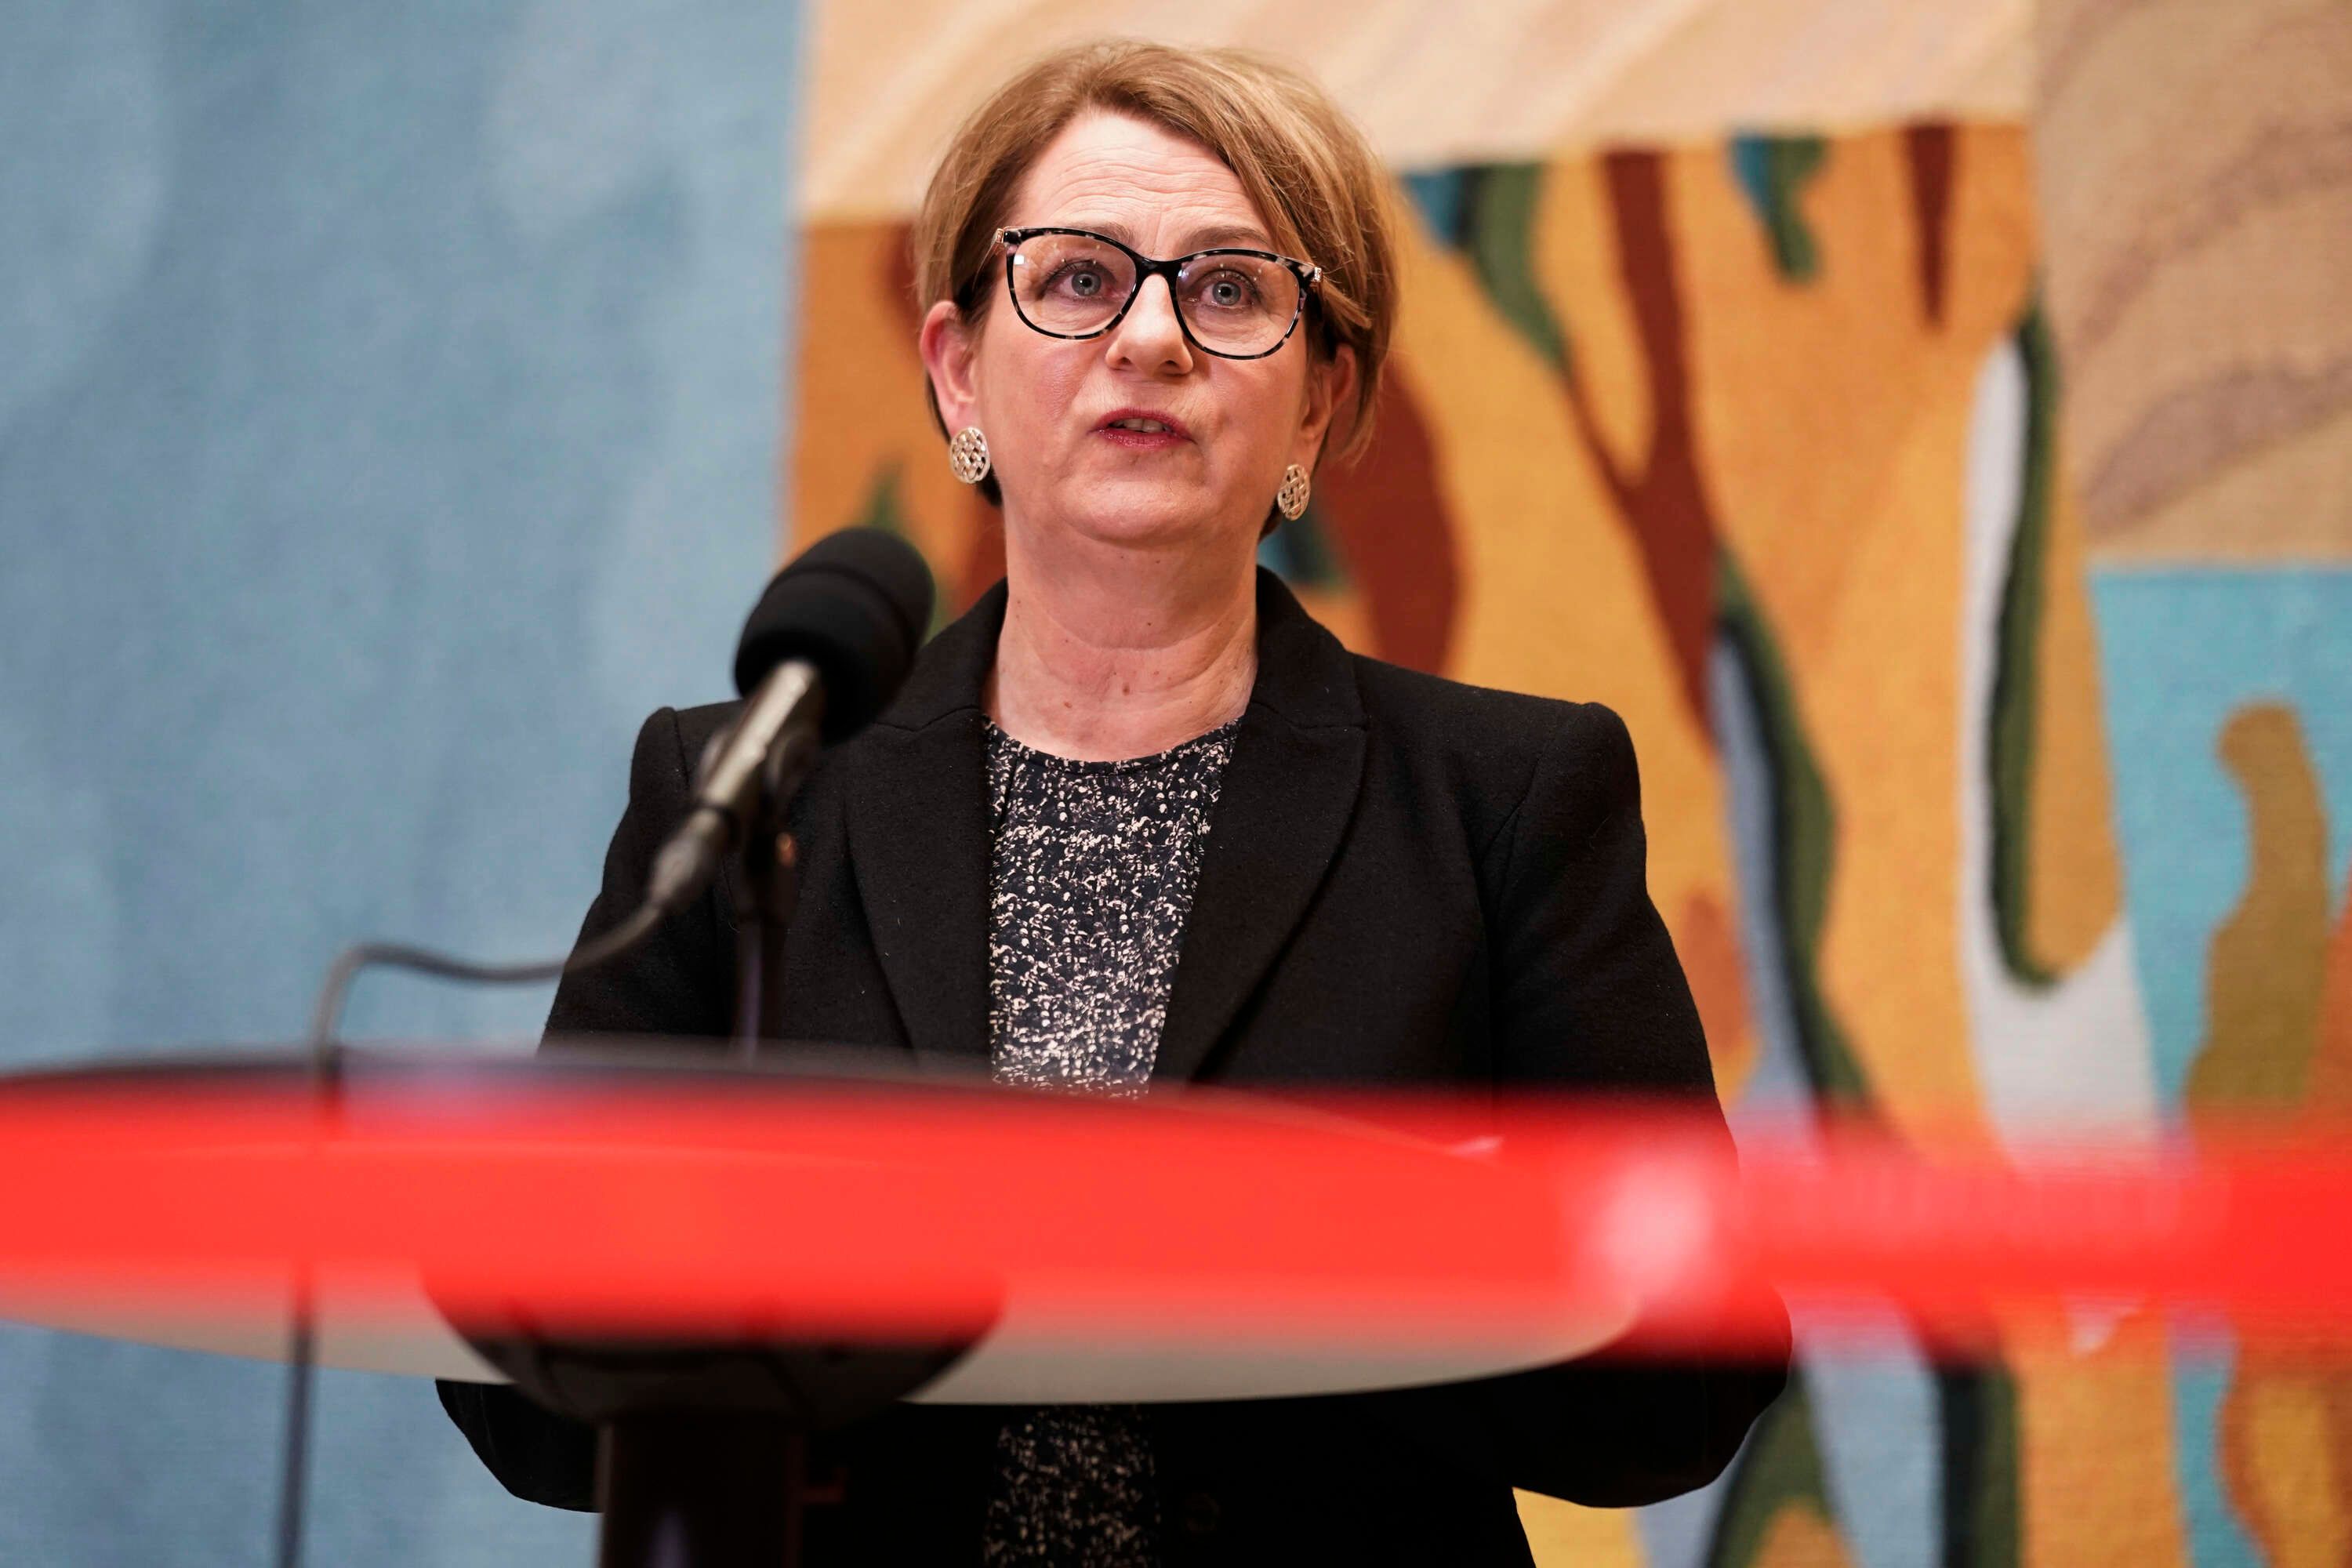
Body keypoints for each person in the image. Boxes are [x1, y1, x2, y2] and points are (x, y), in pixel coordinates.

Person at [439, 38, 1788, 1564]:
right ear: (958, 367)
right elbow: (518, 1394)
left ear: (1322, 399)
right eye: (1080, 278)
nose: (1150, 336)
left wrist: (1340, 1260)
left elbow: (1688, 1385)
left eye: (1230, 289)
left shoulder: (1503, 801)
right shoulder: (744, 796)